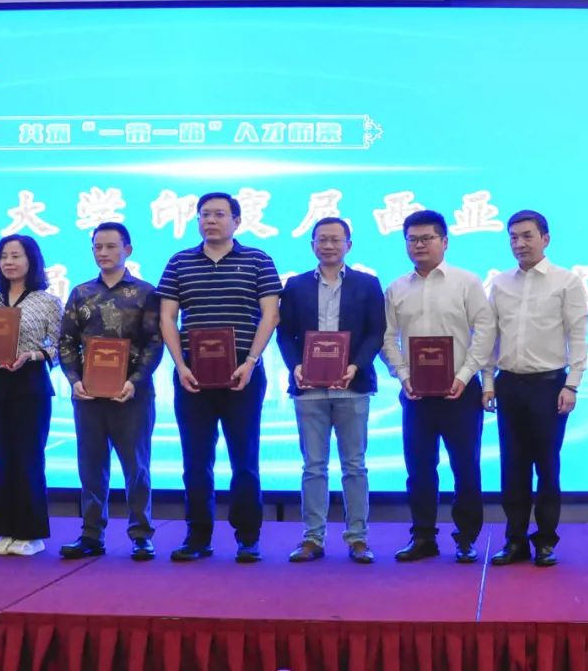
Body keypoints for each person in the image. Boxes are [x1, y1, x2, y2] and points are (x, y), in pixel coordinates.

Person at [157, 192, 282, 563]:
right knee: (196, 463)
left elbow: (271, 314)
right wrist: (180, 366)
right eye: (204, 214)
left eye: (219, 214)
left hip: (243, 375)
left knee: (245, 461)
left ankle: (248, 538)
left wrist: (251, 361)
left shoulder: (258, 260)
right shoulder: (179, 262)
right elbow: (167, 317)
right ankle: (198, 536)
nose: (210, 220)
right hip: (192, 377)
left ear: (237, 221)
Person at [380, 210, 495, 563]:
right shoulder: (396, 288)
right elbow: (387, 337)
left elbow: (485, 330)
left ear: (444, 241)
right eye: (412, 239)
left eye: (427, 238)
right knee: (419, 470)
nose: (419, 245)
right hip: (416, 394)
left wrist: (465, 375)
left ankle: (466, 538)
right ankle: (423, 537)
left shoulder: (467, 282)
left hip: (461, 391)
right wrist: (403, 375)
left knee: (466, 468)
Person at [483, 210, 588, 567]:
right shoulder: (500, 282)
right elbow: (490, 336)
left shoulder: (566, 281)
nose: (519, 243)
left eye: (527, 236)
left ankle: (545, 541)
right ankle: (514, 541)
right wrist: (487, 382)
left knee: (546, 466)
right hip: (509, 384)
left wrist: (572, 384)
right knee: (512, 467)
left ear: (545, 238)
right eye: (513, 237)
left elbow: (578, 335)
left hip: (549, 385)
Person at [277, 217, 386, 564]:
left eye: (335, 240)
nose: (328, 245)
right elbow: (285, 333)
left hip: (352, 387)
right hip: (308, 388)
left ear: (348, 245)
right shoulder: (295, 286)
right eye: (321, 239)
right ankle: (312, 538)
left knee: (355, 465)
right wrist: (295, 365)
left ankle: (358, 538)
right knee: (313, 466)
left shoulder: (367, 284)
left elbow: (376, 332)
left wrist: (357, 366)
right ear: (312, 245)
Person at [57, 222, 164, 561]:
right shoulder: (81, 293)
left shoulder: (146, 293)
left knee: (137, 468)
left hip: (132, 395)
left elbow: (155, 342)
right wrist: (74, 380)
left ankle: (141, 535)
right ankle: (91, 534)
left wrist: (135, 381)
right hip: (88, 395)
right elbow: (66, 341)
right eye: (97, 247)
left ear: (127, 250)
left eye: (110, 246)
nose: (103, 253)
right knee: (91, 467)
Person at [0, 234, 63, 557]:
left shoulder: (48, 301)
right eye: (4, 256)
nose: (9, 262)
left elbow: (60, 346)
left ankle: (31, 533)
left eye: (16, 255)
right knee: (1, 458)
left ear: (31, 260)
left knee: (28, 457)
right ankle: (6, 530)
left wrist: (32, 356)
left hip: (30, 383)